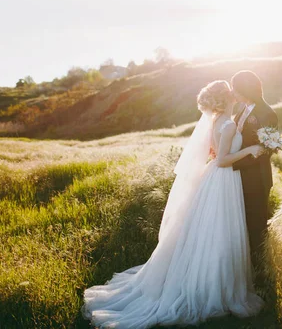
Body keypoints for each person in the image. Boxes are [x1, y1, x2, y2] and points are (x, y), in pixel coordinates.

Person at [82, 80, 264, 328]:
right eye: (231, 91)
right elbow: (222, 160)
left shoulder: (215, 121)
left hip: (214, 179)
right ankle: (215, 288)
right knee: (219, 231)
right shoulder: (229, 124)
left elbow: (214, 154)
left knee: (210, 231)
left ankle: (209, 280)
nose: (235, 92)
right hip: (222, 177)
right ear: (226, 97)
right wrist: (250, 149)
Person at [230, 70, 278, 281]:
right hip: (240, 177)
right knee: (243, 225)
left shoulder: (267, 113)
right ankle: (245, 271)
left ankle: (261, 274)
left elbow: (265, 150)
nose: (233, 93)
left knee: (257, 227)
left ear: (245, 89)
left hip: (256, 179)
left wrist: (231, 162)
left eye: (236, 88)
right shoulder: (242, 108)